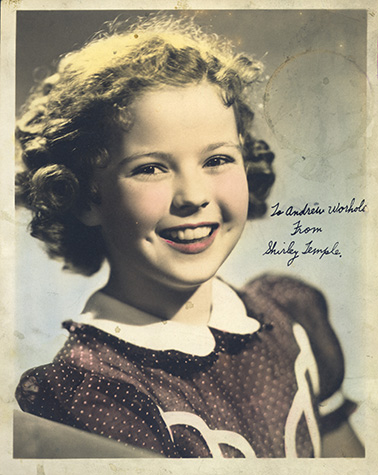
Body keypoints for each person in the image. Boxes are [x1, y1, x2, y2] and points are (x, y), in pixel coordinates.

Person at [15, 13, 363, 458]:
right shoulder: (92, 389)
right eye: (150, 168)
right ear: (84, 197)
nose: (194, 196)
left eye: (217, 159)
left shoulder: (289, 315)